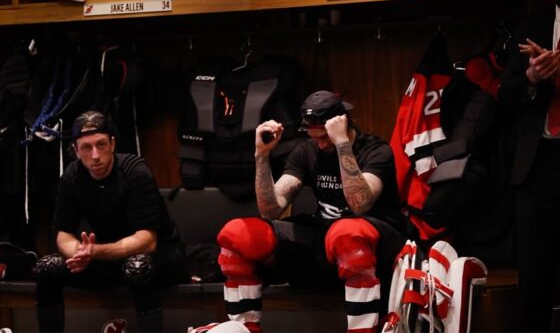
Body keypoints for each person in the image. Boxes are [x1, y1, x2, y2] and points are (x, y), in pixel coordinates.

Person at [214, 90, 406, 333]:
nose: (320, 143)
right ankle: (243, 330)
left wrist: (342, 145)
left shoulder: (375, 150)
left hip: (376, 239)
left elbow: (360, 205)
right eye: (315, 137)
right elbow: (270, 209)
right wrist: (262, 155)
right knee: (238, 234)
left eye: (325, 136)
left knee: (346, 232)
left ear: (343, 122)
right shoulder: (307, 151)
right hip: (326, 240)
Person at [34, 111, 188, 332]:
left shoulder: (136, 172)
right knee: (47, 267)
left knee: (137, 267)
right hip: (107, 257)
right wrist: (79, 253)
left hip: (160, 256)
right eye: (86, 147)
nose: (95, 155)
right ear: (76, 151)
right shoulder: (71, 177)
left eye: (101, 145)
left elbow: (147, 241)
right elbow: (63, 234)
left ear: (113, 144)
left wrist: (95, 252)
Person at [498, 0, 560, 331]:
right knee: (534, 277)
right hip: (538, 165)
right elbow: (505, 94)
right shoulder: (533, 25)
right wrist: (532, 76)